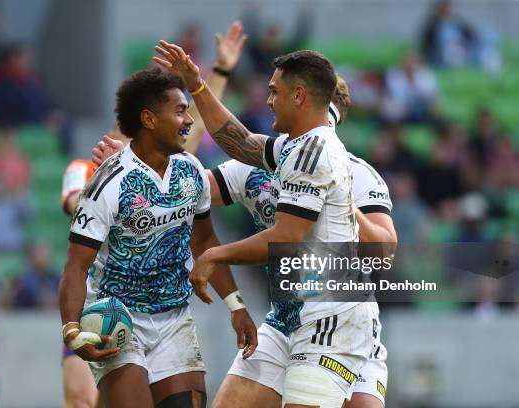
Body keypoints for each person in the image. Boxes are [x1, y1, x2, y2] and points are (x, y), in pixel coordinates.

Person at [93, 77, 396, 408]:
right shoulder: (255, 169)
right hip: (284, 321)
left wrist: (339, 198)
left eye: (278, 94)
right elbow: (182, 193)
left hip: (341, 325)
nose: (270, 101)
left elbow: (383, 250)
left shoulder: (358, 174)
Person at [154, 43, 374, 407]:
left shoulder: (314, 153)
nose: (268, 100)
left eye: (275, 91)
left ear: (299, 96)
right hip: (290, 315)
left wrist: (215, 255)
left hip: (330, 318)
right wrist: (198, 86)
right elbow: (240, 142)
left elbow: (286, 236)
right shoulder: (296, 146)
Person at [59, 22, 249, 408]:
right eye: (174, 111)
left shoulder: (184, 168)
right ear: (141, 120)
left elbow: (204, 235)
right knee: (80, 400)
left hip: (173, 318)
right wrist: (71, 328)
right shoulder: (96, 176)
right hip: (112, 314)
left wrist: (219, 72)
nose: (185, 121)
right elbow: (76, 214)